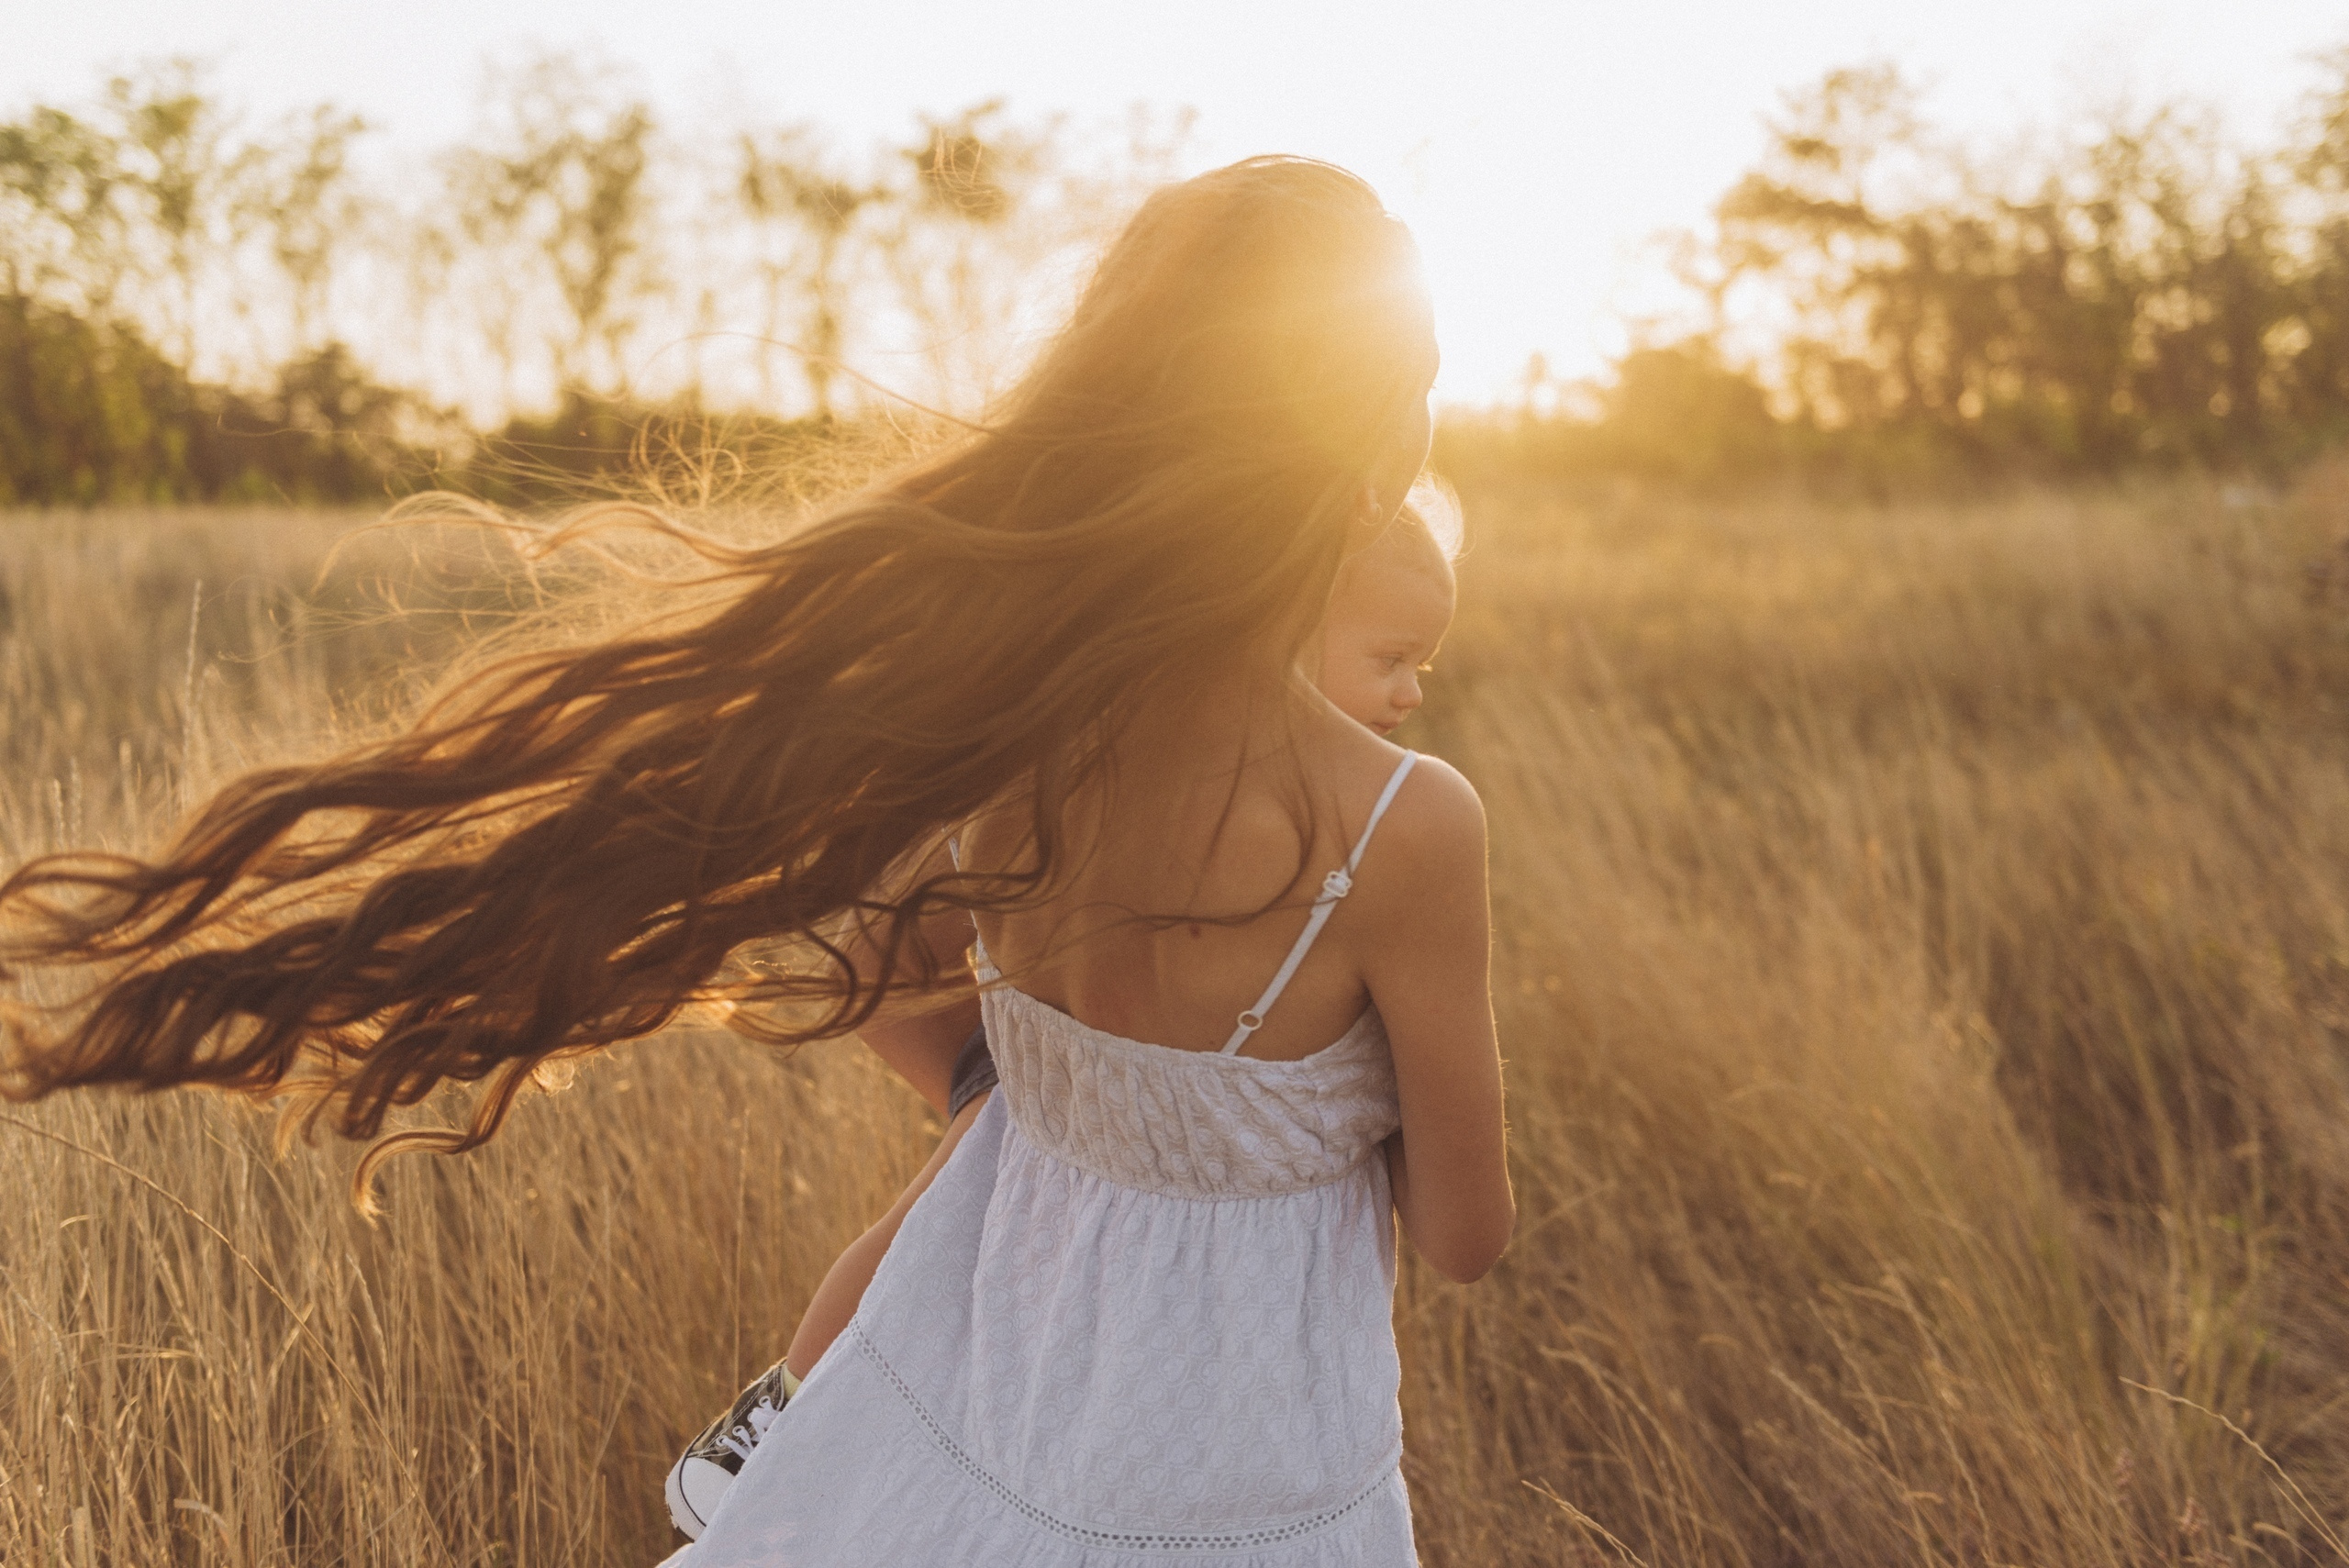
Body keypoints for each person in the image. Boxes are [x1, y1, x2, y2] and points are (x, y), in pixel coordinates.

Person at [0, 156, 1512, 1567]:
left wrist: (1096, 1094)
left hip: (963, 1424)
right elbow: (1462, 1232)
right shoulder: (1406, 824)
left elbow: (891, 985)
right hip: (1249, 1483)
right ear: (1365, 449)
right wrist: (1274, 1115)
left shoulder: (1005, 731)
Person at [662, 492, 1464, 1541]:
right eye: (1393, 656)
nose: (1410, 693)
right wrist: (1004, 1081)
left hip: (1092, 1249)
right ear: (1284, 615)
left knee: (978, 1156)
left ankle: (794, 1409)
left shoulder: (1092, 755)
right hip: (1095, 1205)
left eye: (1424, 669)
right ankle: (785, 1406)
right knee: (971, 1157)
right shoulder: (1356, 822)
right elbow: (1465, 1226)